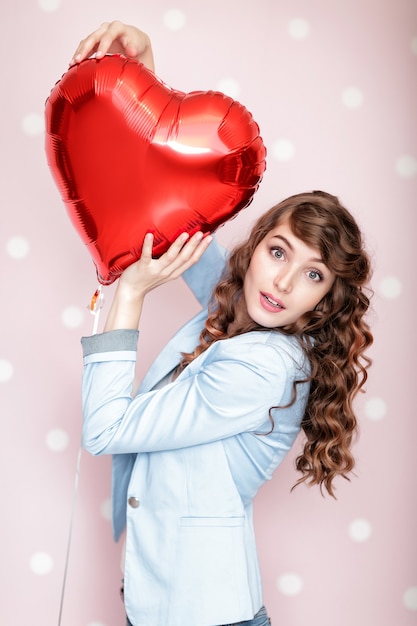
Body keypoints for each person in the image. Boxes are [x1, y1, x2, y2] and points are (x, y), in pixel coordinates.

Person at [74, 22, 373, 626]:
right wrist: (143, 89)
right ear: (255, 248)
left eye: (314, 276)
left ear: (325, 302)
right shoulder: (247, 313)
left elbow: (106, 430)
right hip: (161, 606)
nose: (283, 283)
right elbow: (186, 225)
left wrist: (128, 295)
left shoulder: (266, 365)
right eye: (280, 252)